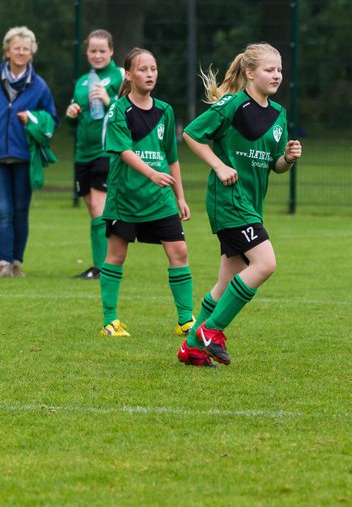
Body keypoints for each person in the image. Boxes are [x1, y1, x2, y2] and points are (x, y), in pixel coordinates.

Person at [178, 43, 301, 367]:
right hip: (229, 200)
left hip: (250, 203)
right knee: (265, 264)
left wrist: (286, 159)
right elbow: (191, 133)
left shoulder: (279, 114)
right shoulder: (232, 105)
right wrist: (219, 166)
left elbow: (274, 164)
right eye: (269, 69)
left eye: (279, 70)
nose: (276, 75)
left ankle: (191, 346)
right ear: (249, 73)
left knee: (226, 281)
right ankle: (212, 331)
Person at [97, 48, 195, 341]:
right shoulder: (118, 110)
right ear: (128, 74)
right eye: (142, 69)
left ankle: (185, 320)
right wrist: (151, 173)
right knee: (116, 255)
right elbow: (124, 150)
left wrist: (180, 196)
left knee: (179, 252)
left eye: (153, 68)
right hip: (125, 198)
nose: (149, 74)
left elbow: (172, 158)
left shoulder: (165, 111)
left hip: (160, 199)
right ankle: (110, 320)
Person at [65, 29, 125, 280]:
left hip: (105, 151)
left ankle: (103, 267)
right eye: (93, 50)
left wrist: (109, 99)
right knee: (92, 209)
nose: (97, 55)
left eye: (102, 50)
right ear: (87, 52)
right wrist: (72, 113)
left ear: (111, 51)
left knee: (99, 208)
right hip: (83, 153)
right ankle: (101, 263)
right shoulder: (82, 82)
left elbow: (129, 111)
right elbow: (73, 124)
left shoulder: (120, 76)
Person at [0, 26, 58, 279]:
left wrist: (33, 119)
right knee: (2, 210)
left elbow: (52, 120)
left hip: (26, 157)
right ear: (7, 51)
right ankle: (3, 262)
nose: (21, 52)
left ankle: (15, 261)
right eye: (17, 48)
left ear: (32, 52)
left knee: (20, 211)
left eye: (26, 49)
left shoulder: (40, 86)